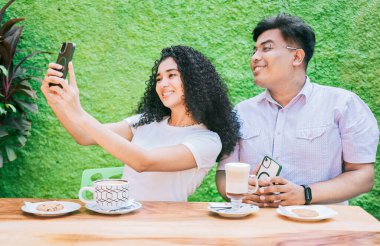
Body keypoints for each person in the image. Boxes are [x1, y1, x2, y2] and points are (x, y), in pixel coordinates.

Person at [216, 13, 379, 207]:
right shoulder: (241, 112)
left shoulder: (343, 105)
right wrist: (240, 191)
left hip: (319, 228)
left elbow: (363, 175)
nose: (255, 57)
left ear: (296, 56)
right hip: (254, 225)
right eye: (254, 50)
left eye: (266, 48)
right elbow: (223, 174)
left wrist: (305, 194)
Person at [41, 45, 240, 202]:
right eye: (158, 78)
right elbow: (84, 136)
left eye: (172, 75)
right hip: (124, 218)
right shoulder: (146, 122)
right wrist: (56, 101)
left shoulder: (207, 141)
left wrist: (80, 113)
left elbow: (143, 162)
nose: (163, 84)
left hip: (165, 227)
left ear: (195, 81)